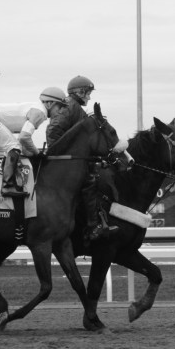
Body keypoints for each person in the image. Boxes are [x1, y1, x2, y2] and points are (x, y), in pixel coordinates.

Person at [46, 75, 118, 242]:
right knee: (90, 182)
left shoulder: (75, 107)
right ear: (79, 92)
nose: (89, 97)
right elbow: (52, 131)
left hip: (68, 160)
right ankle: (93, 226)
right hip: (63, 162)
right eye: (87, 93)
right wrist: (62, 154)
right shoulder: (71, 106)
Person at [0, 86, 67, 197]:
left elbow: (23, 141)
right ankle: (7, 186)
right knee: (14, 147)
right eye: (60, 107)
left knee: (12, 148)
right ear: (50, 103)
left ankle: (6, 181)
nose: (60, 112)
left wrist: (32, 154)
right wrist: (37, 153)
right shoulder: (40, 112)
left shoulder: (38, 109)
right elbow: (24, 137)